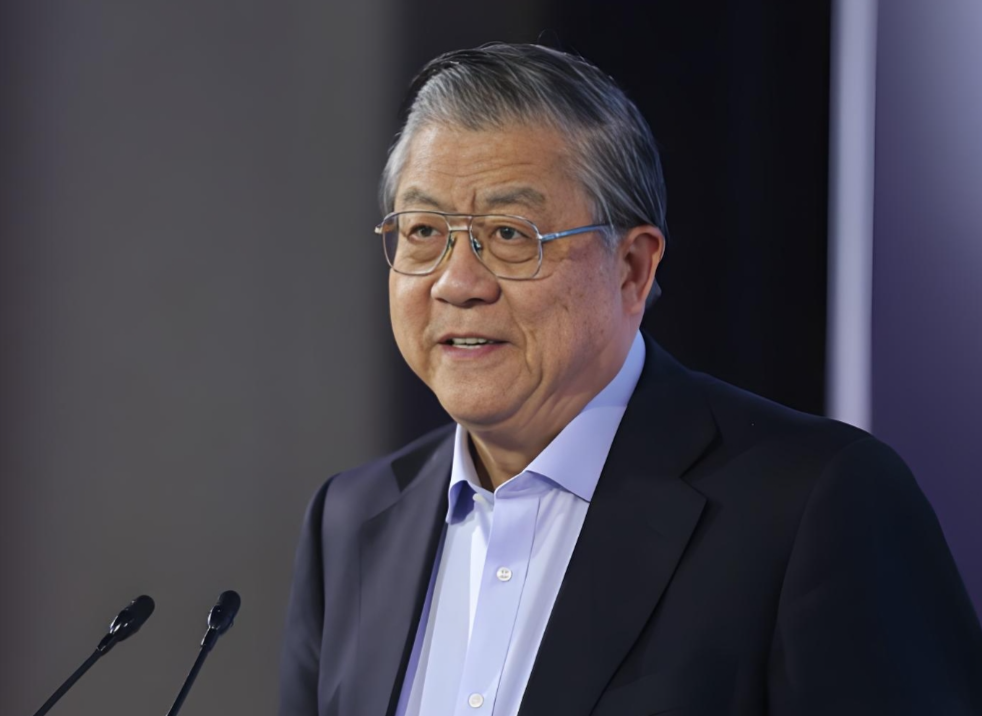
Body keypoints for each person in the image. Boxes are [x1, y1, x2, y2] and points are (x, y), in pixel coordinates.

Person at [279, 43, 982, 716]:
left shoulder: (812, 506)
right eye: (423, 232)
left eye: (511, 235)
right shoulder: (350, 523)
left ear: (632, 269)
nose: (457, 283)